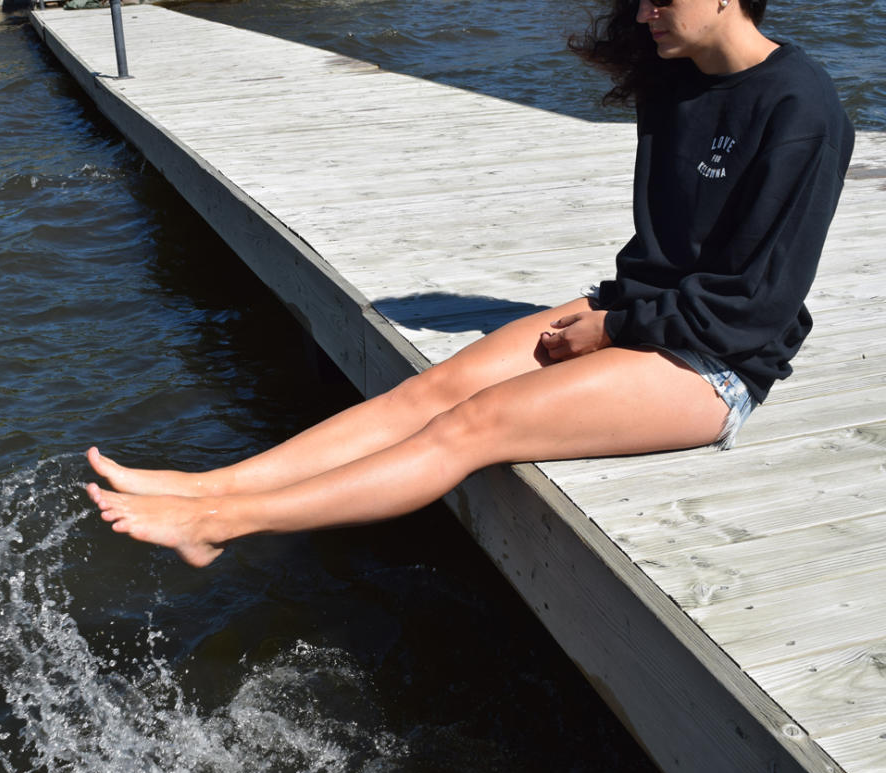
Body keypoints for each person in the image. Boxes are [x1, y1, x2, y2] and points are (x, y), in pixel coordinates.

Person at [85, 0, 855, 567]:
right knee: (433, 389)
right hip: (641, 313)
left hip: (715, 362)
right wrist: (615, 317)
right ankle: (206, 489)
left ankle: (225, 523)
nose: (643, 14)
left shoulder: (802, 107)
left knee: (474, 425)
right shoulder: (673, 75)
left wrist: (613, 332)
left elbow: (755, 302)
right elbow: (664, 257)